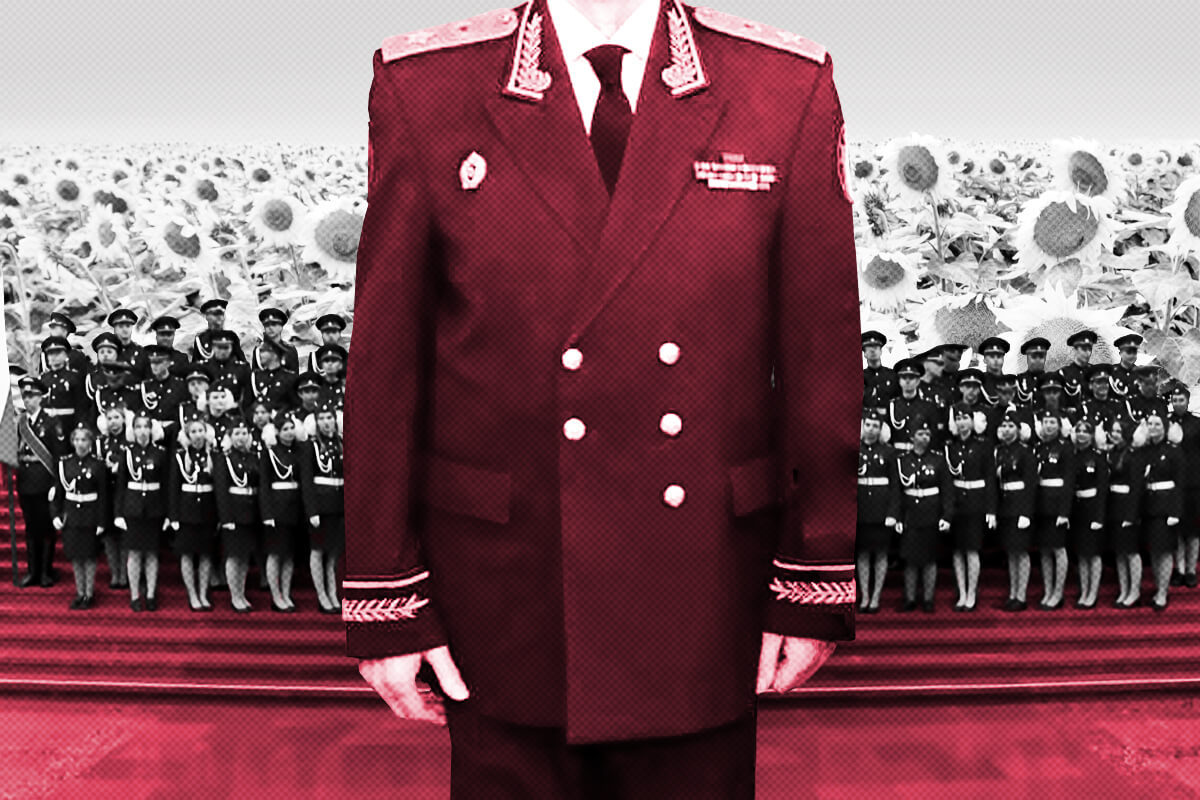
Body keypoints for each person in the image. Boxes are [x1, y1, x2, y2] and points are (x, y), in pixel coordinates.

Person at [344, 1, 859, 795]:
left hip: (700, 590)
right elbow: (387, 363)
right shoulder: (427, 84)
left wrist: (812, 572)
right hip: (507, 593)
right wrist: (386, 592)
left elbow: (820, 356)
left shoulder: (783, 86)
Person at [113, 409, 170, 612]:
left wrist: (168, 513)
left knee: (152, 554)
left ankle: (151, 594)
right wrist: (118, 513)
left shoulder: (161, 453)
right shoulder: (127, 453)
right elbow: (120, 485)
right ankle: (135, 595)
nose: (143, 430)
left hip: (154, 508)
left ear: (152, 430)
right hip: (133, 508)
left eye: (146, 426)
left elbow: (166, 485)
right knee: (135, 554)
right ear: (133, 430)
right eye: (138, 427)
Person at [895, 415, 953, 612]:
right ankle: (910, 598)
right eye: (920, 433)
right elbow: (897, 492)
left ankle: (928, 598)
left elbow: (947, 491)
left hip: (931, 515)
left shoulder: (938, 460)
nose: (925, 437)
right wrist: (897, 517)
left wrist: (946, 516)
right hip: (911, 516)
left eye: (927, 434)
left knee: (929, 560)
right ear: (912, 436)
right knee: (910, 560)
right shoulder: (902, 461)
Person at [14, 375, 66, 587]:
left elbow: (59, 456)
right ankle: (32, 572)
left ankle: (46, 571)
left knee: (46, 528)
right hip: (25, 482)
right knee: (30, 528)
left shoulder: (52, 422)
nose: (27, 400)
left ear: (40, 397)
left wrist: (57, 484)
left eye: (31, 396)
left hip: (45, 482)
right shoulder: (20, 423)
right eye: (25, 396)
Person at [944, 401, 996, 612]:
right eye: (958, 418)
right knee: (958, 550)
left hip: (976, 502)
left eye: (965, 418)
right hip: (957, 503)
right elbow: (948, 481)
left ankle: (972, 592)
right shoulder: (950, 447)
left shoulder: (983, 445)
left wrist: (991, 509)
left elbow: (990, 478)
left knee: (972, 550)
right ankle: (962, 592)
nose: (962, 422)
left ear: (972, 421)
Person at [50, 422, 108, 609]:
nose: (80, 443)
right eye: (77, 439)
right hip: (72, 516)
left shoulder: (98, 464)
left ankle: (89, 593)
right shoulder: (65, 463)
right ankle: (80, 592)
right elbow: (58, 493)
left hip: (90, 516)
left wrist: (101, 521)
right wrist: (55, 515)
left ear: (90, 442)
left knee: (89, 556)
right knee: (75, 557)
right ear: (72, 441)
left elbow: (103, 495)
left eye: (84, 440)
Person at [168, 417, 219, 611]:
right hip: (186, 511)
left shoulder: (214, 455)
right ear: (188, 435)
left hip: (207, 510)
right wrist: (173, 516)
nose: (198, 435)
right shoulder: (180, 456)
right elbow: (173, 487)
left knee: (206, 554)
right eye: (194, 432)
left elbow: (218, 487)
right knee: (187, 554)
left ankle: (204, 593)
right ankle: (192, 594)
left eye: (201, 431)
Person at [259, 407, 307, 612]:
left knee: (289, 555)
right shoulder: (270, 452)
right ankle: (275, 595)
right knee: (275, 553)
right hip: (276, 509)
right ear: (277, 432)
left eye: (291, 428)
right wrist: (267, 513)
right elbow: (264, 485)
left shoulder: (298, 451)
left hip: (294, 509)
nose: (289, 432)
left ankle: (286, 593)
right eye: (285, 429)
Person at [213, 416, 261, 613]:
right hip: (233, 513)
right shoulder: (223, 459)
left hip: (250, 513)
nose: (241, 437)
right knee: (233, 555)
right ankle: (234, 596)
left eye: (244, 433)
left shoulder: (253, 457)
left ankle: (242, 593)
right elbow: (221, 491)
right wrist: (226, 518)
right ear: (230, 436)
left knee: (244, 557)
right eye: (237, 433)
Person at [300, 401, 344, 614]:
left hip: (338, 504)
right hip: (320, 505)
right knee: (317, 551)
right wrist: (312, 510)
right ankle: (322, 595)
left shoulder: (341, 443)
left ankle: (333, 592)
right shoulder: (310, 446)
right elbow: (306, 480)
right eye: (322, 419)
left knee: (334, 553)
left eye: (329, 418)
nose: (326, 422)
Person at [855, 408, 899, 614]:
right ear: (862, 426)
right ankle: (864, 595)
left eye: (876, 426)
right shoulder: (854, 449)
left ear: (881, 429)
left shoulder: (889, 452)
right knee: (862, 554)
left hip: (882, 512)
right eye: (868, 425)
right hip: (861, 511)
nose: (871, 429)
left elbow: (895, 486)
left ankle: (876, 597)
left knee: (881, 554)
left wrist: (893, 513)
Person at [1138, 412, 1183, 611]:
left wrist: (1175, 512)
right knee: (1154, 551)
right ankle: (1158, 587)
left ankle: (1163, 592)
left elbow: (1180, 484)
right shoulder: (1144, 451)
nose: (1153, 428)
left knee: (1164, 551)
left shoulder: (1173, 451)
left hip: (1166, 508)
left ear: (1165, 428)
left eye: (1157, 424)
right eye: (1150, 424)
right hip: (1149, 506)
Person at [1032, 409, 1075, 610]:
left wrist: (1064, 512)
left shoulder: (1065, 448)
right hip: (1041, 505)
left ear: (1059, 426)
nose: (1048, 426)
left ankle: (1058, 593)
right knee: (1044, 550)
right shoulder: (1038, 448)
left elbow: (1069, 481)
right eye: (1045, 422)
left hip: (1057, 506)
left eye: (1052, 422)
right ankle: (1048, 590)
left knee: (1058, 549)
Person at [994, 407, 1036, 611]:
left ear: (1019, 430)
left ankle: (1022, 595)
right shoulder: (999, 451)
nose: (1007, 429)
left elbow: (1031, 483)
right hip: (1005, 506)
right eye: (1004, 425)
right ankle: (1012, 592)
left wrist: (1026, 512)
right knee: (1011, 552)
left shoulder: (1026, 452)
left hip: (1020, 505)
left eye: (1011, 426)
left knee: (1021, 551)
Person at [1068, 420, 1108, 609]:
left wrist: (1099, 516)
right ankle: (1084, 591)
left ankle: (1093, 592)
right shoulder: (1073, 456)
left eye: (1086, 431)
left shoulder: (1098, 457)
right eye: (1079, 431)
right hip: (1078, 509)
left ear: (1092, 436)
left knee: (1093, 554)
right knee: (1082, 554)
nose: (1082, 434)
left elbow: (1102, 489)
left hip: (1093, 508)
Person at [1105, 418, 1144, 608]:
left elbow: (1137, 487)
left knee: (1131, 552)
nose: (1114, 435)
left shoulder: (1133, 455)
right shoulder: (1111, 452)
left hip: (1127, 506)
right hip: (1113, 505)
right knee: (1119, 552)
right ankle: (1123, 589)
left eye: (1119, 431)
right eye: (1113, 431)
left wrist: (1131, 514)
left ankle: (1135, 591)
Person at [1166, 381, 1200, 587]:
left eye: (1181, 400)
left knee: (1193, 530)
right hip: (1171, 484)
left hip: (1193, 483)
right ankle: (1178, 569)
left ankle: (1190, 569)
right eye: (1175, 400)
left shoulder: (1197, 423)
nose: (1178, 403)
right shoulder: (1166, 422)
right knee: (1176, 530)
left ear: (1187, 401)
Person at [95, 404, 131, 589]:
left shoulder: (130, 440)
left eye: (117, 417)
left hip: (125, 492)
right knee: (108, 534)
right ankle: (114, 573)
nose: (113, 422)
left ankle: (125, 574)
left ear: (124, 419)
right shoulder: (101, 442)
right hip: (106, 492)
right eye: (109, 418)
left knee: (124, 534)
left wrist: (119, 466)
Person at [191, 298, 248, 363]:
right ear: (207, 316)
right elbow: (195, 364)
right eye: (215, 314)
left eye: (222, 314)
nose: (219, 317)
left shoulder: (231, 336)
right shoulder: (201, 338)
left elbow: (242, 362)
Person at [251, 307, 301, 373]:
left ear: (281, 327)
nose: (270, 328)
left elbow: (294, 375)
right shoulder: (258, 350)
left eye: (274, 324)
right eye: (266, 325)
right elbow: (255, 375)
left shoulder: (290, 349)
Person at [861, 331, 897, 413]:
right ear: (865, 354)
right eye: (869, 348)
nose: (873, 351)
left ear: (881, 351)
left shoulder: (892, 375)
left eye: (876, 347)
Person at [1059, 330, 1096, 407]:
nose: (1088, 353)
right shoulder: (1064, 373)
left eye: (1090, 349)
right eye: (1084, 349)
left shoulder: (1095, 372)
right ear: (1075, 350)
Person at [1015, 337, 1049, 409]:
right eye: (1034, 356)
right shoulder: (1018, 382)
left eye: (1041, 356)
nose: (1038, 360)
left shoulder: (1052, 381)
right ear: (1027, 357)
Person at [977, 337, 1010, 407]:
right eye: (991, 356)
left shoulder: (1011, 383)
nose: (995, 359)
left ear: (1003, 359)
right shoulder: (977, 384)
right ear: (984, 360)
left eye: (999, 356)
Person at [1109, 333, 1142, 399]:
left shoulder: (1141, 373)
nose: (1132, 355)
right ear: (1120, 353)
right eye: (1128, 352)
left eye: (1134, 352)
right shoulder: (1111, 372)